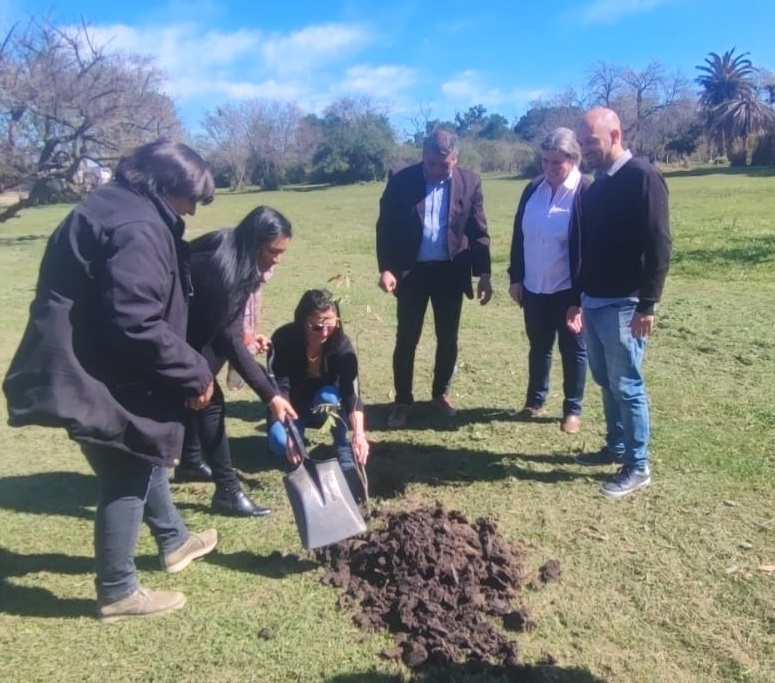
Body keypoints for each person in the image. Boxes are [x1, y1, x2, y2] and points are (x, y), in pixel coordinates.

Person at [3, 140, 219, 623]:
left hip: (91, 357)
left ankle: (175, 541)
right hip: (94, 367)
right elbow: (134, 318)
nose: (193, 210)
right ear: (166, 188)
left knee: (142, 449)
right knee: (126, 469)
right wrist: (194, 370)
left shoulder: (112, 204)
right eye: (191, 199)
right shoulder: (139, 226)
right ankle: (118, 590)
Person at [568, 107, 672, 498]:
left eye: (591, 142)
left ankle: (638, 464)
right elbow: (589, 249)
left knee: (627, 384)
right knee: (605, 381)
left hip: (626, 304)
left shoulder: (643, 176)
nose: (585, 149)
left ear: (615, 135)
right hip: (594, 302)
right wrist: (579, 297)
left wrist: (648, 304)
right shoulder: (597, 186)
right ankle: (615, 447)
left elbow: (660, 242)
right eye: (582, 143)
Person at [181, 205, 297, 517]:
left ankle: (191, 460)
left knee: (200, 390)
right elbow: (227, 338)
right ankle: (228, 492)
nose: (277, 259)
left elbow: (227, 334)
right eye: (274, 251)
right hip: (174, 334)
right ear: (256, 241)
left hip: (192, 329)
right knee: (208, 399)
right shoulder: (226, 268)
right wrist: (271, 395)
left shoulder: (232, 248)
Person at [376, 127, 492, 428]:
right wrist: (386, 268)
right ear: (423, 157)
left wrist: (484, 274)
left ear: (456, 158)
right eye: (431, 164)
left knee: (448, 337)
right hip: (411, 272)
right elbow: (385, 227)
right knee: (407, 338)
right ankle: (403, 401)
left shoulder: (470, 183)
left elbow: (478, 232)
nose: (438, 171)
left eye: (445, 165)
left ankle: (440, 393)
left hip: (449, 273)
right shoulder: (402, 181)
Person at [508, 128, 591, 434]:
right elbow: (520, 236)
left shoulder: (585, 191)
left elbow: (590, 248)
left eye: (557, 162)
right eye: (545, 161)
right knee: (539, 346)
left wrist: (579, 299)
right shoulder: (533, 189)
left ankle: (572, 410)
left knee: (573, 350)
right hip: (534, 286)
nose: (550, 168)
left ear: (573, 159)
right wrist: (516, 278)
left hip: (568, 289)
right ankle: (535, 400)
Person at [266, 289, 369, 498]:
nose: (324, 333)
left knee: (329, 397)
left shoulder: (341, 345)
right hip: (292, 406)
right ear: (303, 321)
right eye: (316, 327)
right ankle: (301, 449)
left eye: (330, 326)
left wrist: (359, 434)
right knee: (279, 442)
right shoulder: (283, 339)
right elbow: (280, 390)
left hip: (326, 401)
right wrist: (290, 432)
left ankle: (342, 446)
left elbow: (350, 393)